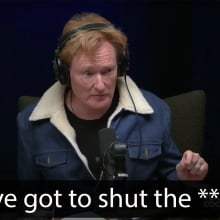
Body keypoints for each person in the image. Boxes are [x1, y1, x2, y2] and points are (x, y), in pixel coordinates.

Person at [17, 12, 208, 182]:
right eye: (88, 73)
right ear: (64, 73)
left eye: (107, 70)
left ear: (121, 67)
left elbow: (170, 176)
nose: (100, 85)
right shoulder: (31, 124)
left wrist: (184, 177)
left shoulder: (156, 111)